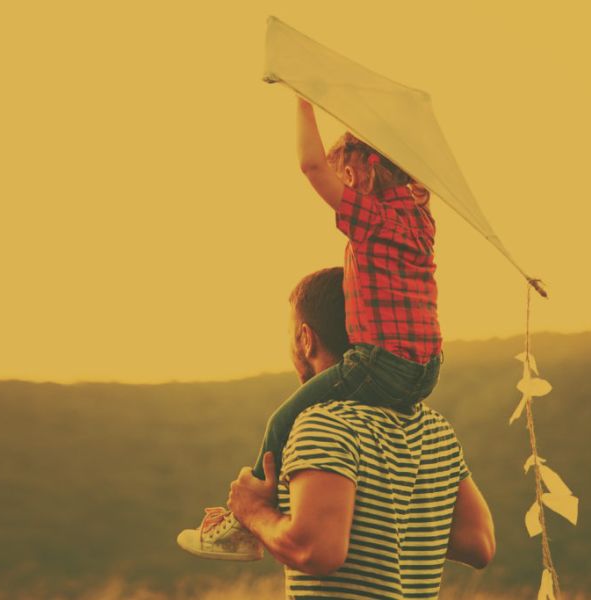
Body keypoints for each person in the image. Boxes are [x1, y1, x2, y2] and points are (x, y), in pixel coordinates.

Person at [177, 95, 444, 558]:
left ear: (359, 173)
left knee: (284, 420)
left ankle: (245, 522)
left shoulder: (374, 219)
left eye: (344, 175)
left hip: (381, 362)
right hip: (428, 369)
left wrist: (304, 100)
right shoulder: (422, 220)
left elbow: (310, 166)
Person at [178, 267, 494, 598]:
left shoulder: (324, 422)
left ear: (305, 338)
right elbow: (478, 544)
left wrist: (254, 513)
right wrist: (389, 520)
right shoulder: (435, 429)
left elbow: (317, 551)